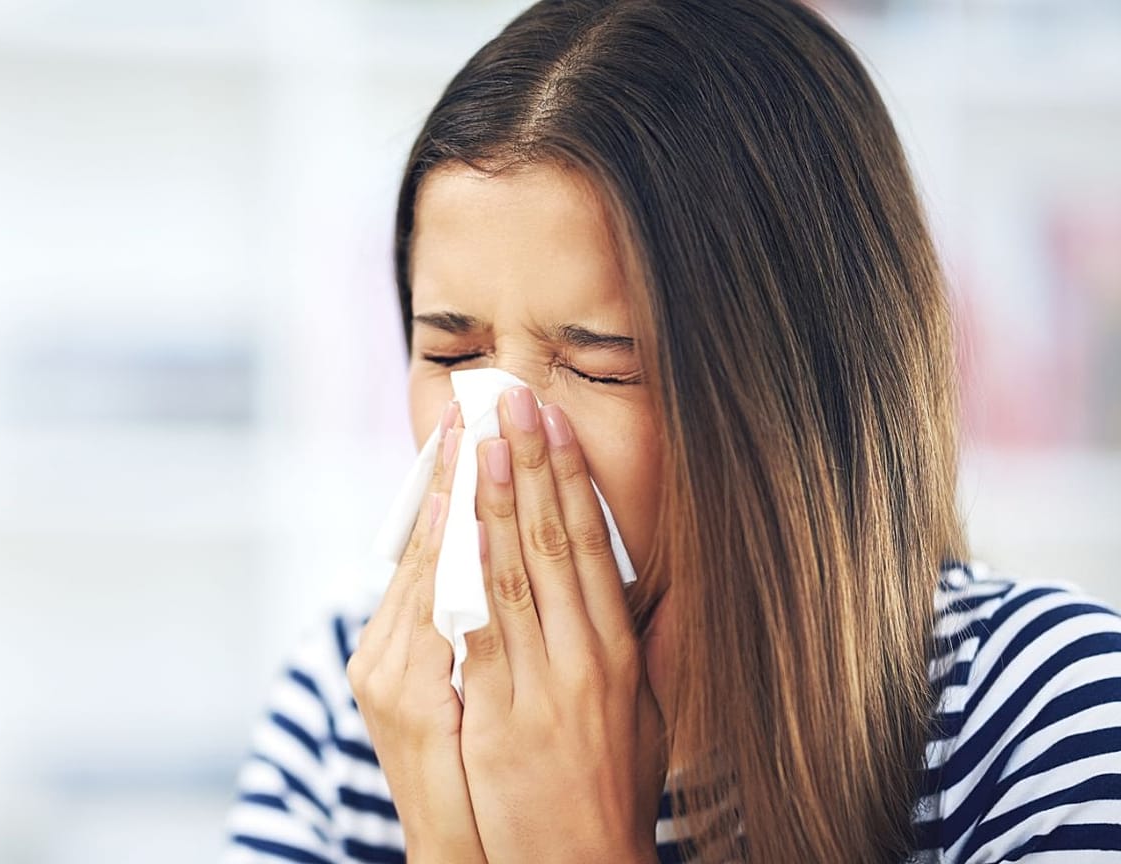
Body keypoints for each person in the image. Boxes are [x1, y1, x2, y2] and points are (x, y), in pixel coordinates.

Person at [223, 1, 1121, 861]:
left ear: (792, 388)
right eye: (454, 352)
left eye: (600, 363)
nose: (501, 435)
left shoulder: (1048, 715)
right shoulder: (356, 708)